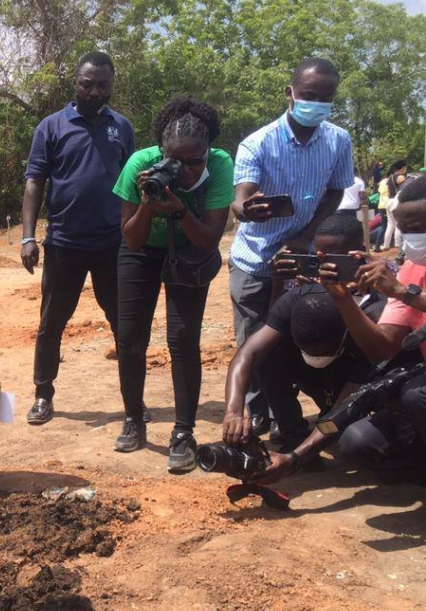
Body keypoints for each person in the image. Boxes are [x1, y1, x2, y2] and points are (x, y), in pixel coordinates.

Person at [229, 57, 354, 435]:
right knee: (253, 340)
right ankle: (256, 413)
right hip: (255, 259)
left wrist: (305, 236)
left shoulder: (338, 140)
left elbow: (335, 191)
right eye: (308, 95)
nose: (316, 102)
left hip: (306, 259)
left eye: (326, 97)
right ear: (290, 93)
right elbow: (240, 199)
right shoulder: (257, 143)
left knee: (304, 335)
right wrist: (247, 210)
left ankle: (297, 414)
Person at [111, 97, 234, 472]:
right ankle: (134, 418)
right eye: (175, 160)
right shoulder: (141, 164)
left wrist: (179, 210)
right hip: (143, 251)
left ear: (208, 149)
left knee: (182, 340)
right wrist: (150, 203)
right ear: (161, 152)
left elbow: (210, 238)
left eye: (196, 160)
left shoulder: (220, 163)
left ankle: (183, 432)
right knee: (130, 339)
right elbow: (131, 239)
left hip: (191, 248)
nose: (186, 169)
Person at [222, 214, 397, 464]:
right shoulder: (303, 285)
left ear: (357, 251)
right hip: (320, 371)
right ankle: (293, 432)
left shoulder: (382, 295)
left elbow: (349, 401)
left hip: (358, 377)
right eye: (318, 256)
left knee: (352, 436)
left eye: (332, 257)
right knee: (268, 352)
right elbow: (250, 351)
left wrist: (295, 459)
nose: (322, 264)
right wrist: (233, 411)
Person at [20, 51, 135, 426]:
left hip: (112, 244)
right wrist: (28, 236)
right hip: (64, 243)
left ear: (111, 85)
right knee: (51, 323)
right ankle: (42, 395)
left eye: (103, 85)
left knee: (123, 323)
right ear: (75, 83)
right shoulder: (51, 127)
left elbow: (132, 182)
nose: (95, 92)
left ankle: (133, 403)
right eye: (88, 84)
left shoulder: (122, 127)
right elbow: (35, 181)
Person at [323, 173, 426, 479]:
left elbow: (404, 294)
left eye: (419, 229)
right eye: (405, 230)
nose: (411, 239)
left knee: (417, 395)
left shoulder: (404, 283)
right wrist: (342, 299)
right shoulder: (411, 269)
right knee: (359, 441)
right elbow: (382, 347)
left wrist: (399, 291)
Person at [380, 159, 408, 251]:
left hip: (389, 201)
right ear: (403, 168)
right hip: (397, 201)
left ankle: (386, 245)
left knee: (390, 224)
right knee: (398, 224)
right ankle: (397, 244)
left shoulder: (390, 178)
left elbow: (388, 192)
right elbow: (403, 190)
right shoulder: (401, 178)